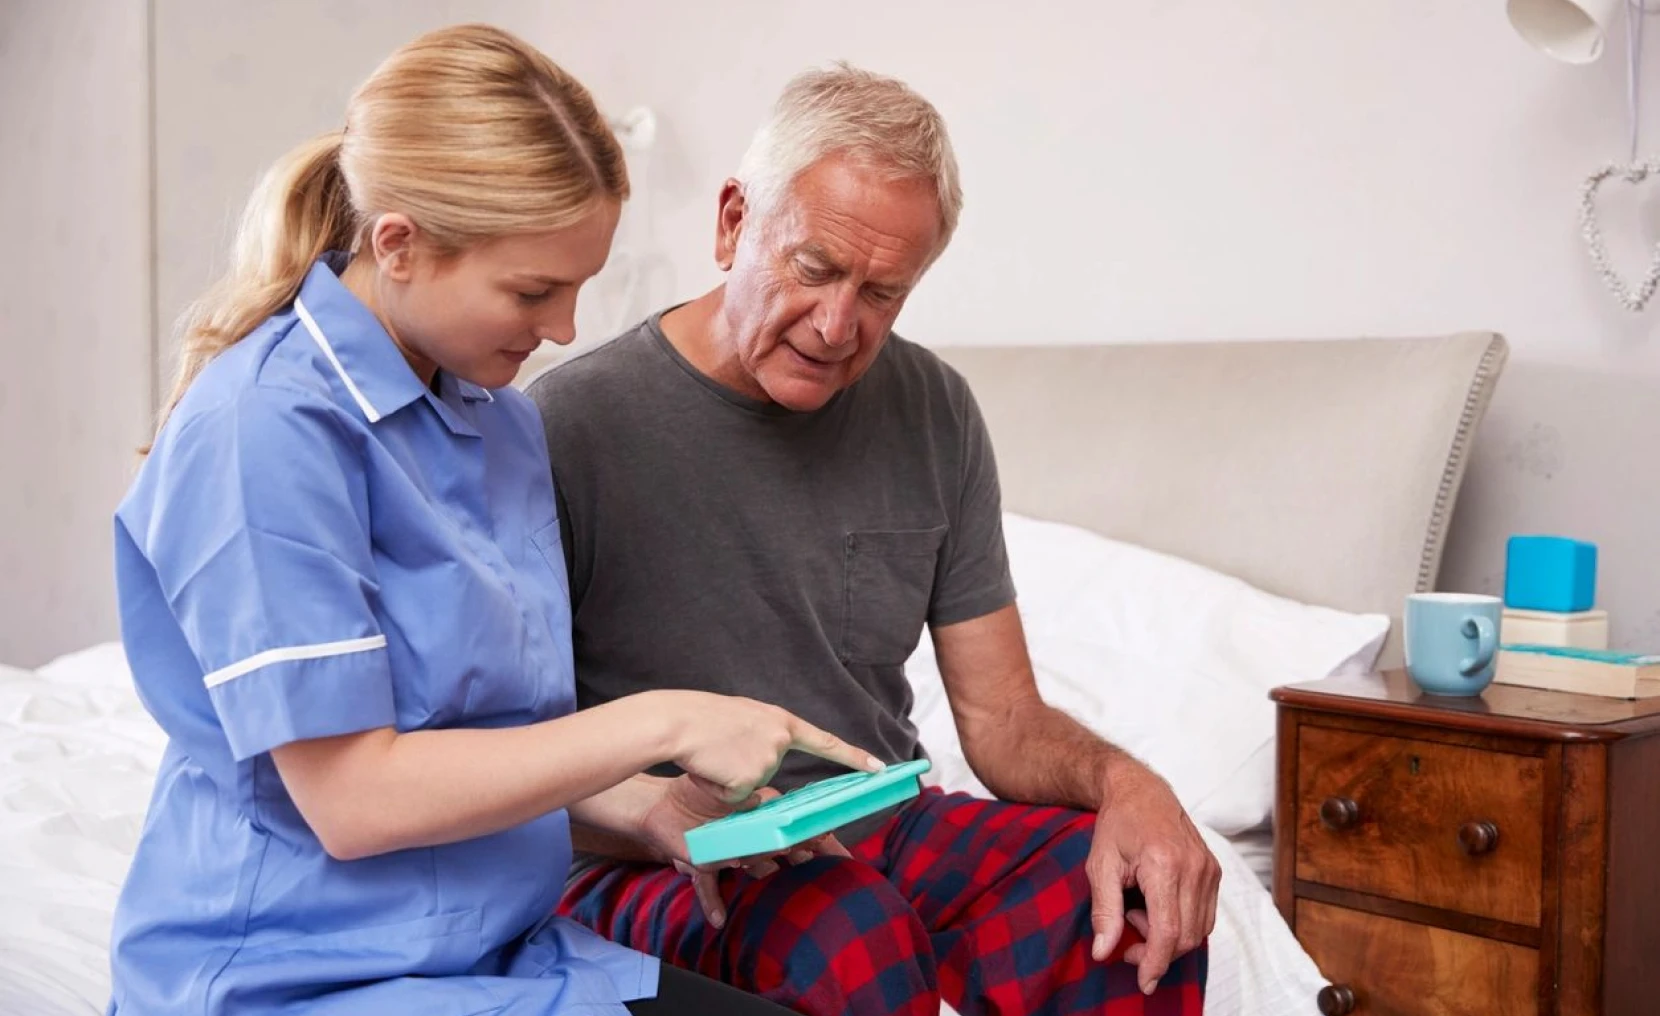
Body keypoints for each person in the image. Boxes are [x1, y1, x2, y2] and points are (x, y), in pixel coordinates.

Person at [106, 24, 878, 1016]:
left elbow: (475, 735)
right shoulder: (264, 427)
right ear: (399, 243)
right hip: (295, 974)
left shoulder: (500, 421)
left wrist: (650, 805)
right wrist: (671, 718)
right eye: (532, 290)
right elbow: (355, 798)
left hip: (498, 951)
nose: (562, 328)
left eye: (579, 287)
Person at [528, 63, 1220, 1016]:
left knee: (1122, 890)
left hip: (871, 826)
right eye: (812, 269)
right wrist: (658, 811)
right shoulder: (571, 424)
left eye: (883, 293)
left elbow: (1003, 723)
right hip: (653, 852)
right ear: (733, 222)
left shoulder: (935, 411)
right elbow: (511, 751)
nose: (837, 325)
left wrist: (1127, 785)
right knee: (846, 925)